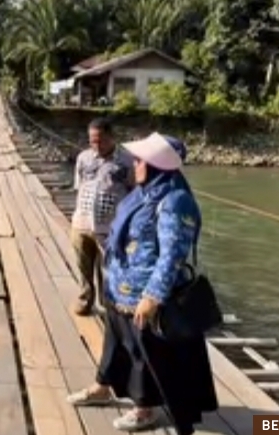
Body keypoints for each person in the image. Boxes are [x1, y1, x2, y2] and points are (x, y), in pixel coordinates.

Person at [66, 132, 218, 434]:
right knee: (116, 347)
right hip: (119, 288)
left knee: (144, 355)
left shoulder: (175, 201)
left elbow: (173, 254)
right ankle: (102, 386)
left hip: (143, 295)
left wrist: (152, 296)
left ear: (155, 165)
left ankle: (144, 408)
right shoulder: (142, 193)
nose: (134, 164)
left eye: (140, 160)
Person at [70, 118, 133, 316]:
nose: (96, 145)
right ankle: (85, 299)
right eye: (92, 141)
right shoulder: (83, 158)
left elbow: (134, 191)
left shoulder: (127, 160)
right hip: (82, 222)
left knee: (109, 268)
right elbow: (79, 187)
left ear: (111, 137)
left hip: (110, 227)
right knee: (83, 265)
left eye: (100, 140)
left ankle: (109, 305)